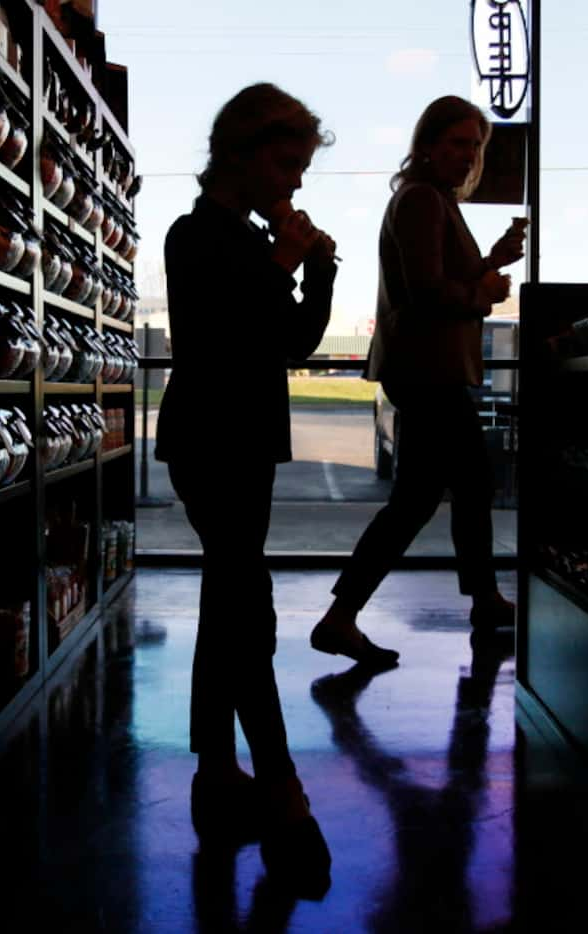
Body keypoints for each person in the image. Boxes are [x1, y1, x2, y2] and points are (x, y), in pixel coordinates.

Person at [154, 82, 338, 895]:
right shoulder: (193, 235)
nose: (295, 182)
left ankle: (216, 771)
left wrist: (319, 271)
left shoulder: (254, 241)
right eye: (287, 163)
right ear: (241, 151)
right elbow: (219, 335)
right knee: (246, 604)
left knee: (230, 602)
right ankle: (281, 789)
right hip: (209, 440)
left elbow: (290, 340)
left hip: (245, 442)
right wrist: (284, 261)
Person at [310, 96, 525, 667]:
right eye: (457, 143)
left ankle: (346, 615)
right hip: (430, 370)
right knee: (456, 491)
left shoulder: (428, 200)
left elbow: (435, 283)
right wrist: (481, 293)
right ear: (426, 145)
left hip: (425, 369)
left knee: (424, 498)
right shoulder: (424, 202)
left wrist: (490, 262)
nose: (467, 155)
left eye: (475, 146)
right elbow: (427, 292)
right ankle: (476, 602)